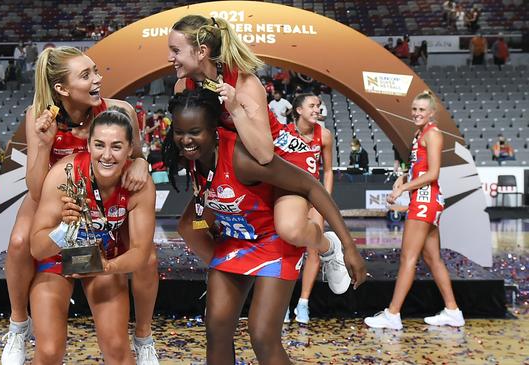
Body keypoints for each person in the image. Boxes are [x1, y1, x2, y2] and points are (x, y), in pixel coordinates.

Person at [162, 89, 366, 363]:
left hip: (274, 240)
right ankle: (225, 267)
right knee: (217, 329)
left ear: (214, 129)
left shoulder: (243, 158)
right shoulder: (192, 155)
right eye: (179, 131)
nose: (185, 140)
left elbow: (310, 186)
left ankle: (329, 246)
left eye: (195, 131)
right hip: (237, 239)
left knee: (262, 335)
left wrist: (350, 246)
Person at [168, 16, 353, 296]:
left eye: (175, 50)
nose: (170, 57)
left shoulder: (244, 82)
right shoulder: (182, 88)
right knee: (192, 227)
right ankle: (232, 271)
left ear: (201, 52)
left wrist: (237, 108)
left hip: (280, 159)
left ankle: (328, 247)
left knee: (290, 228)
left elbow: (265, 153)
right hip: (239, 166)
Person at [0, 46, 157, 365]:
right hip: (54, 196)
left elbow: (137, 153)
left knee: (147, 258)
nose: (98, 79)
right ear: (62, 88)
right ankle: (18, 325)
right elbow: (35, 189)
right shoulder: (39, 116)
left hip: (104, 202)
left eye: (96, 70)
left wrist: (142, 163)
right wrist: (44, 146)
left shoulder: (118, 111)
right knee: (18, 243)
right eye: (86, 75)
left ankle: (144, 337)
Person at [31, 110, 156, 364]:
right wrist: (64, 230)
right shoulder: (64, 173)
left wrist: (107, 266)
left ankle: (144, 338)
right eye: (99, 145)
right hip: (57, 257)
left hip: (105, 259)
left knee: (117, 348)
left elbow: (142, 253)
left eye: (117, 146)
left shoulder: (138, 183)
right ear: (88, 145)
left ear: (130, 149)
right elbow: (36, 248)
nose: (107, 155)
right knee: (49, 351)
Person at [365, 91, 464, 330]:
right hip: (424, 199)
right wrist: (402, 179)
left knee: (407, 258)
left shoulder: (433, 134)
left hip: (425, 200)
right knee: (432, 258)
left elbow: (433, 174)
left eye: (422, 110)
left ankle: (393, 314)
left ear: (431, 113)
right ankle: (453, 311)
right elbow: (420, 169)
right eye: (414, 109)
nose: (417, 113)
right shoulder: (420, 134)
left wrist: (403, 190)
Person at [284, 93, 335, 324]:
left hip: (313, 198)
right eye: (312, 106)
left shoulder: (324, 135)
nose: (317, 109)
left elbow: (327, 171)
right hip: (288, 197)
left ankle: (302, 304)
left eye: (319, 106)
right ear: (298, 110)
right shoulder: (283, 134)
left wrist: (325, 200)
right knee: (284, 249)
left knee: (313, 249)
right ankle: (282, 303)